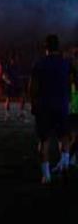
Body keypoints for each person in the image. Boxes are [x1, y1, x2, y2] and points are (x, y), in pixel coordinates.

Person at [29, 34, 73, 183]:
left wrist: (33, 104)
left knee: (44, 141)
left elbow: (32, 88)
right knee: (64, 138)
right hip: (61, 105)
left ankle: (46, 175)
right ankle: (65, 164)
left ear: (45, 47)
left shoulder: (39, 64)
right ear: (58, 46)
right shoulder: (66, 63)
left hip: (44, 106)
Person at [2, 53, 27, 121]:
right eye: (15, 59)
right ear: (11, 60)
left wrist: (20, 82)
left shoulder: (18, 66)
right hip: (10, 85)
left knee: (23, 97)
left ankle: (21, 113)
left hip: (17, 84)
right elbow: (3, 76)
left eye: (17, 59)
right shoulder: (8, 66)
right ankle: (7, 114)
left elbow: (18, 75)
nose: (17, 60)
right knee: (8, 99)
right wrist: (8, 81)